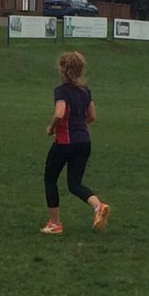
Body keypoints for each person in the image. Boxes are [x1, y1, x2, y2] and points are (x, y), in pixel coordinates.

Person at [41, 51, 110, 235]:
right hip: (84, 142)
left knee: (50, 178)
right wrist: (80, 125)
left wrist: (51, 127)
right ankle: (98, 206)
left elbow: (59, 113)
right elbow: (92, 116)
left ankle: (54, 223)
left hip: (65, 142)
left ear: (63, 70)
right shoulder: (85, 91)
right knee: (74, 183)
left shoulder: (61, 91)